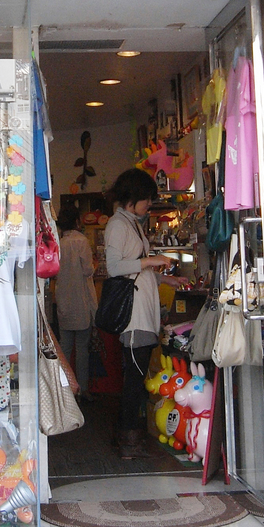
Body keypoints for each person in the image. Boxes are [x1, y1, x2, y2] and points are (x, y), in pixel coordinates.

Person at [104, 168, 187, 459]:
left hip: (143, 312)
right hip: (134, 316)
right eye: (147, 199)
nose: (149, 204)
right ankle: (128, 439)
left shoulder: (131, 223)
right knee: (134, 379)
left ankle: (127, 435)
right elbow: (115, 267)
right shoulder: (118, 225)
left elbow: (137, 268)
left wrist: (165, 279)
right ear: (132, 198)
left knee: (136, 377)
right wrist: (152, 261)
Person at [54, 207, 97, 401]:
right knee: (82, 349)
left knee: (64, 348)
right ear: (77, 221)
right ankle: (83, 389)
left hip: (63, 300)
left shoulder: (58, 243)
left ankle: (64, 392)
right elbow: (87, 270)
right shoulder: (82, 241)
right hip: (81, 301)